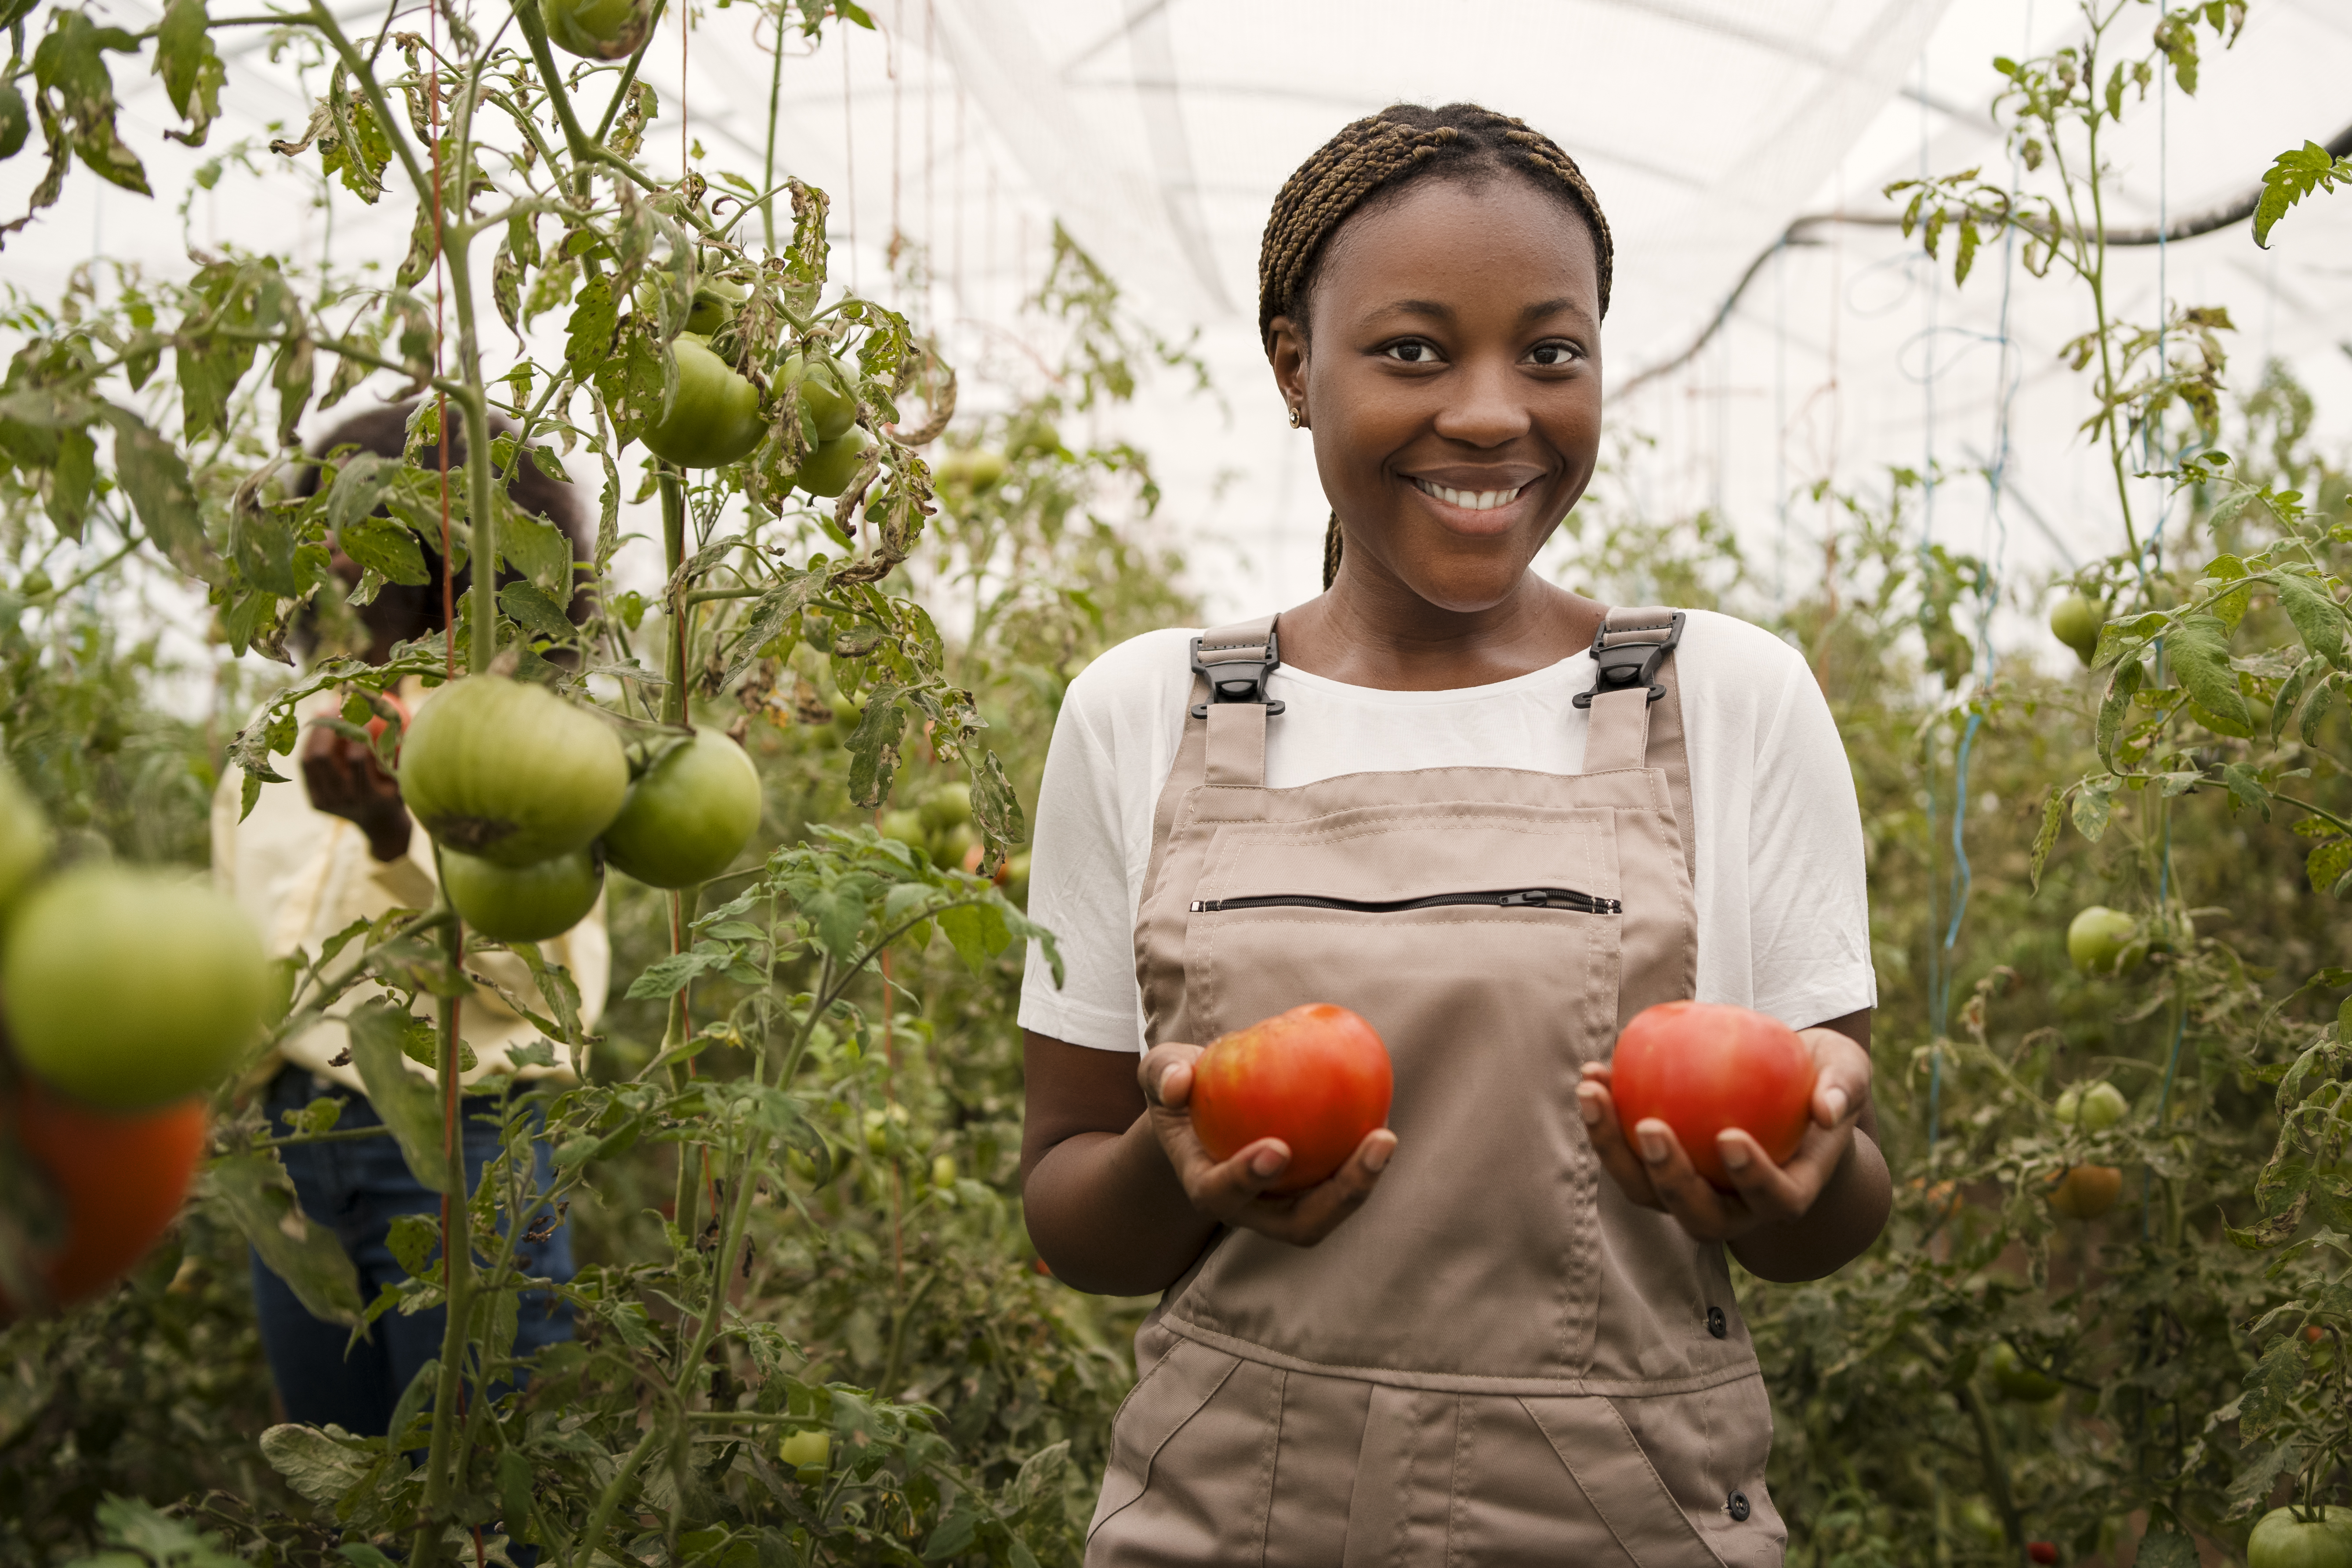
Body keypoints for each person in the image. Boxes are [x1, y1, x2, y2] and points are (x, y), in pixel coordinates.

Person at [1017, 104, 1887, 1565]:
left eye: (1550, 352)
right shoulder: (1143, 713)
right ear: (1296, 369)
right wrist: (1174, 1166)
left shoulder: (1729, 697)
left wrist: (1788, 1176)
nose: (1491, 412)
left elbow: (1830, 1218)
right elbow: (1066, 1218)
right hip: (1226, 1523)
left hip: (1631, 1525)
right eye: (1412, 350)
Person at [212, 402, 609, 1436]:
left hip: (460, 1144)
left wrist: (397, 843)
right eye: (323, 514)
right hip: (294, 1152)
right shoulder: (281, 730)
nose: (330, 547)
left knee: (477, 1507)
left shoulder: (524, 733)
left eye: (362, 512)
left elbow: (538, 989)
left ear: (456, 534)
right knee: (345, 1496)